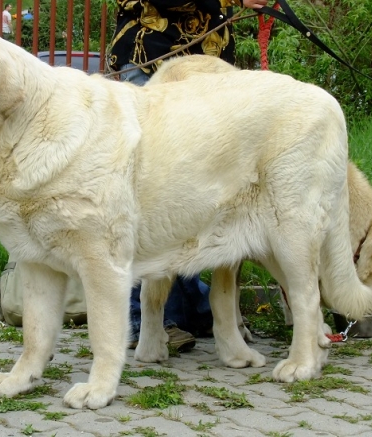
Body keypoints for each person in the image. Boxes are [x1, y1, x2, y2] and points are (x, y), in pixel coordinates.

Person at [109, 0, 268, 351]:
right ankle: (143, 321)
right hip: (153, 54)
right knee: (152, 194)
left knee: (196, 193)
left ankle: (192, 310)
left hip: (206, 67)